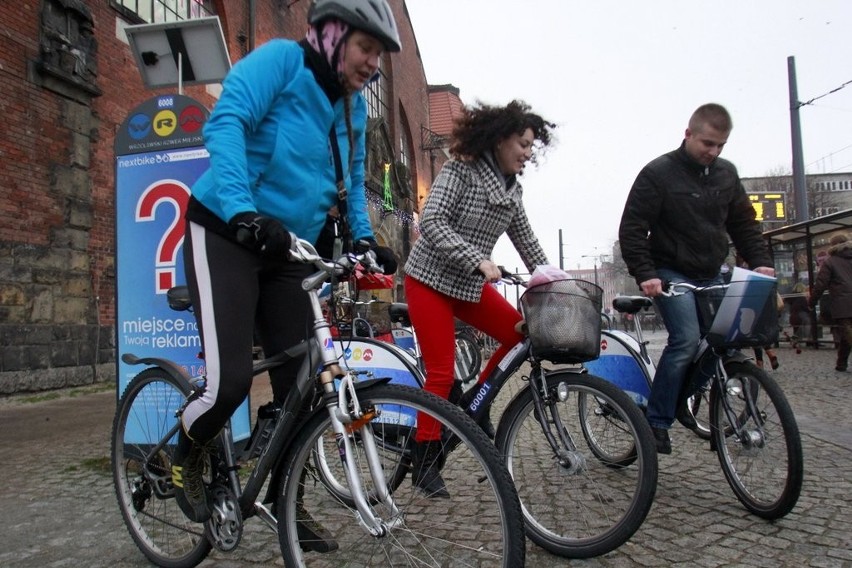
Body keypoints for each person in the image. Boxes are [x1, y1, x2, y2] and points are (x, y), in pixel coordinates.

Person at [172, 0, 400, 534]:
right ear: (333, 34)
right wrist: (243, 210)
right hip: (225, 230)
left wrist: (365, 239)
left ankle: (282, 501)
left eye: (380, 56)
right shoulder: (280, 61)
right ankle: (182, 457)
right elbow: (225, 124)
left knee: (296, 390)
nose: (373, 64)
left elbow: (355, 179)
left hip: (288, 249)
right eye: (367, 48)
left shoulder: (352, 111)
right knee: (228, 386)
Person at [403, 100, 555, 496]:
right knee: (440, 371)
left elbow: (529, 245)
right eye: (522, 143)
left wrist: (555, 281)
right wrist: (478, 260)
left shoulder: (513, 192)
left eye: (531, 147)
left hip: (469, 287)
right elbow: (431, 220)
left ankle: (476, 404)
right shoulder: (461, 170)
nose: (527, 152)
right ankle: (423, 457)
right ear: (501, 140)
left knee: (520, 333)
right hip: (429, 280)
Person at [618, 103, 775, 455]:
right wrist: (647, 274)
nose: (713, 152)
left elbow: (744, 225)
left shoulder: (726, 175)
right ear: (688, 134)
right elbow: (631, 229)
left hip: (712, 270)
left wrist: (762, 262)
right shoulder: (658, 174)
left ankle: (680, 399)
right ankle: (656, 423)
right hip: (671, 271)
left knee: (727, 343)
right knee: (687, 339)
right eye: (707, 143)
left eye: (720, 145)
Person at [808, 233, 852, 372]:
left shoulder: (830, 262)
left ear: (833, 246)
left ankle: (841, 363)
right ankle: (841, 363)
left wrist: (812, 301)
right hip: (843, 303)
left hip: (842, 304)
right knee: (846, 336)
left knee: (847, 334)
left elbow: (821, 284)